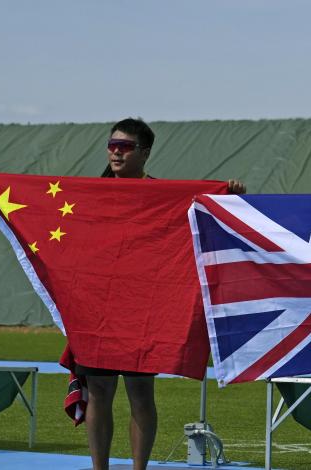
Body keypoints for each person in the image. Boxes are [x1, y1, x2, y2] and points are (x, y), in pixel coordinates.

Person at [82, 118, 245, 470]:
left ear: (144, 153)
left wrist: (228, 198)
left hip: (141, 309)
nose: (115, 152)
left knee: (140, 394)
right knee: (98, 391)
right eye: (112, 144)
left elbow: (203, 220)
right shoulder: (88, 194)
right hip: (97, 308)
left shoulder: (163, 196)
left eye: (124, 147)